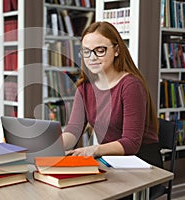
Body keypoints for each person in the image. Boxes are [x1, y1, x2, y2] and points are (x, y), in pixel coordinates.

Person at [62, 21, 163, 169]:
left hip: (142, 164)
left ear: (116, 50)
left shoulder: (130, 85)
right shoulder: (84, 87)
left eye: (100, 50)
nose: (92, 57)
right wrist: (48, 144)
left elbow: (131, 144)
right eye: (86, 51)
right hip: (111, 161)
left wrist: (95, 149)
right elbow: (73, 131)